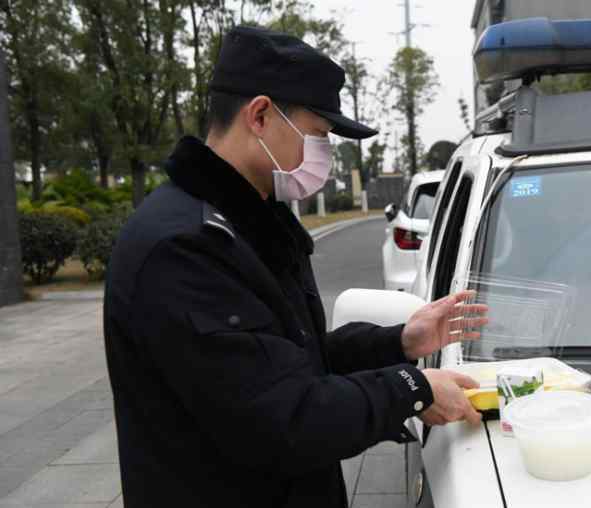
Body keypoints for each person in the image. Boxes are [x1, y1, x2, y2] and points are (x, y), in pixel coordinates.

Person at [103, 26, 487, 508]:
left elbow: (287, 359)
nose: (324, 152)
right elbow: (279, 416)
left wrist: (399, 341)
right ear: (261, 115)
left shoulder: (251, 221)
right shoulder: (184, 247)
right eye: (318, 134)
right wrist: (410, 388)